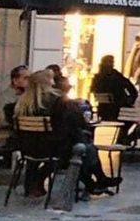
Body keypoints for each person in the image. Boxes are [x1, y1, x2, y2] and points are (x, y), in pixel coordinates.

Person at [13, 67, 119, 199]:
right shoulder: (57, 102)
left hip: (28, 149)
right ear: (49, 83)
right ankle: (95, 181)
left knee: (81, 144)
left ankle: (94, 182)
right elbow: (74, 123)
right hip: (54, 149)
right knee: (84, 146)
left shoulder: (22, 104)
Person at [0, 64, 28, 156]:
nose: (30, 81)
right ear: (15, 81)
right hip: (6, 134)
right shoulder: (6, 98)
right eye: (26, 78)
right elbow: (4, 120)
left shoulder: (25, 95)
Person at [89, 55, 138, 122]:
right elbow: (129, 86)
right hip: (115, 108)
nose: (112, 64)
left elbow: (93, 90)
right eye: (110, 62)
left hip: (106, 108)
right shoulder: (115, 76)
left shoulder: (98, 77)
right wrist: (130, 98)